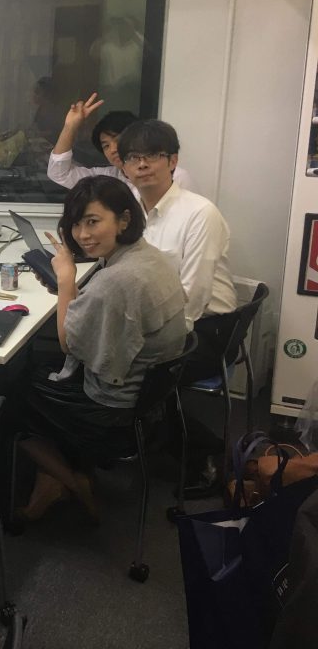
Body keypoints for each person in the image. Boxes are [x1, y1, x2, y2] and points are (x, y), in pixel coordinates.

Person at [9, 176, 186, 520]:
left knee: (9, 398)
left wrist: (65, 281)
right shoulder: (148, 257)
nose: (82, 234)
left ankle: (72, 482)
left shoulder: (117, 281)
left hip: (112, 411)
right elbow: (100, 317)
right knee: (35, 368)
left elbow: (69, 344)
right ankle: (52, 477)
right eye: (76, 224)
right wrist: (68, 292)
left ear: (124, 219)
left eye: (93, 222)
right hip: (148, 400)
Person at [118, 119, 238, 493]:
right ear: (123, 167)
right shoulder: (130, 214)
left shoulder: (199, 213)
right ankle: (143, 437)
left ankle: (207, 454)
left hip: (207, 328)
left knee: (134, 374)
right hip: (158, 320)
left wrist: (148, 343)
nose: (142, 165)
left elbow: (193, 296)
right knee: (108, 358)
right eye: (132, 157)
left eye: (153, 155)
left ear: (172, 161)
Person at [47, 93, 196, 194]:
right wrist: (70, 127)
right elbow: (60, 174)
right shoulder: (108, 178)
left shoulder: (175, 176)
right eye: (106, 146)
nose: (113, 149)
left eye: (118, 141)